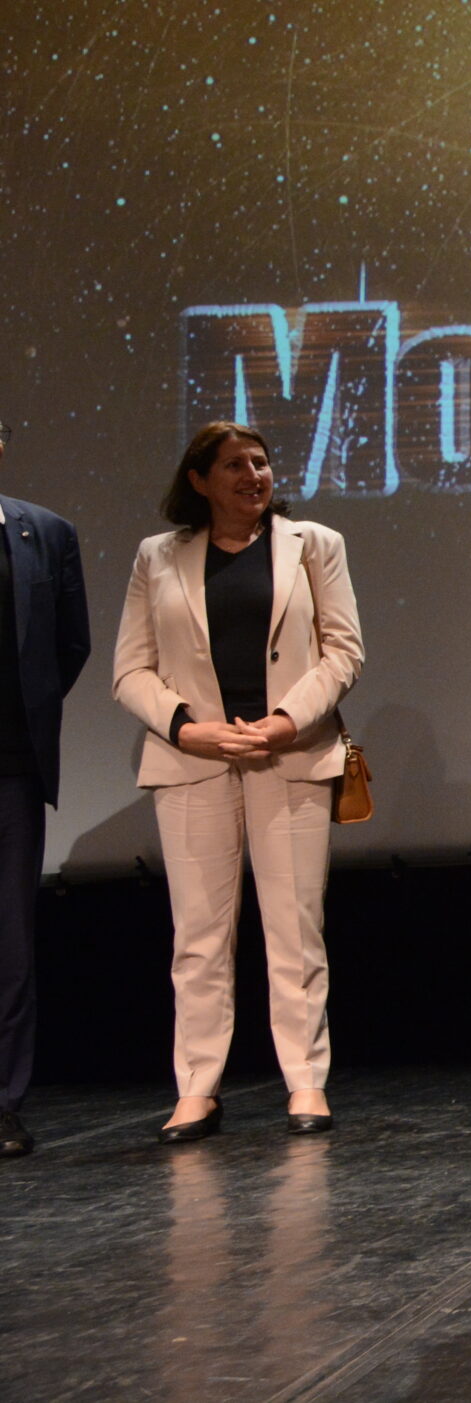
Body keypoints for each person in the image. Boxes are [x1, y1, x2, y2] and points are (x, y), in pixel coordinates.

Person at [111, 422, 364, 1142]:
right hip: (195, 761)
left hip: (289, 753)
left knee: (295, 927)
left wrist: (285, 721)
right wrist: (185, 727)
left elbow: (344, 651)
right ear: (199, 480)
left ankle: (306, 1081)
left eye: (260, 462)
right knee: (199, 935)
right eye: (233, 465)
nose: (253, 475)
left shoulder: (315, 545)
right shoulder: (157, 556)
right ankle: (197, 1088)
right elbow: (130, 669)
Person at [1, 417, 91, 1160]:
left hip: (11, 769)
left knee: (11, 944)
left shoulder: (45, 533)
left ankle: (3, 1102)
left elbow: (69, 644)